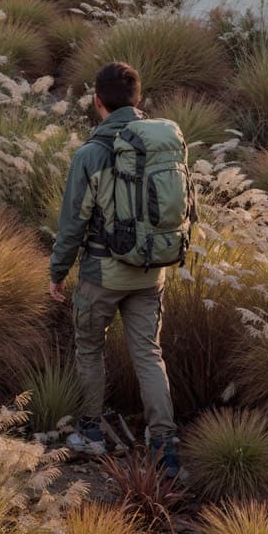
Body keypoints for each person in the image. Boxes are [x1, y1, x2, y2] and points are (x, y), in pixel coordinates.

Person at [47, 60, 182, 477]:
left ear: (97, 101)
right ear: (138, 100)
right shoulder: (163, 143)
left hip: (102, 274)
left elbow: (73, 223)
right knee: (149, 354)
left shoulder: (90, 154)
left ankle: (91, 432)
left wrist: (57, 272)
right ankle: (165, 445)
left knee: (90, 348)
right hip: (152, 270)